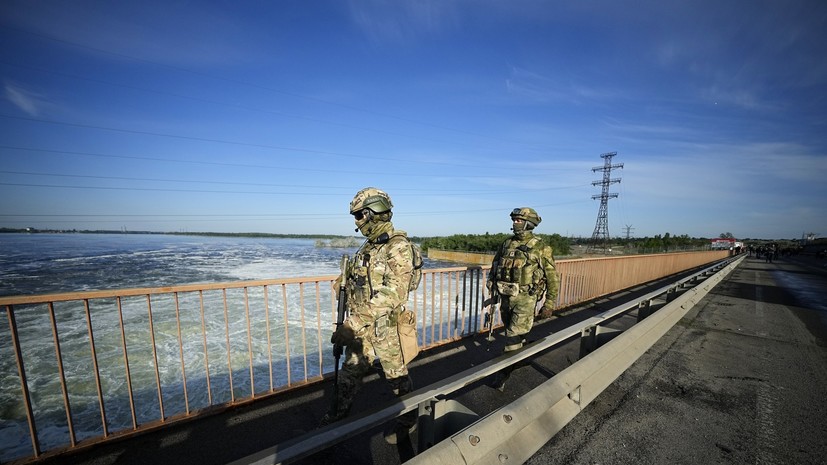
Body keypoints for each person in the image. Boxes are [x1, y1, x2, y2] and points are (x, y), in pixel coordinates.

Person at [320, 187, 419, 445]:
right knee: (349, 375)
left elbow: (394, 293)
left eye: (358, 216)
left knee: (396, 378)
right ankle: (337, 418)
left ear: (372, 212)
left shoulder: (396, 246)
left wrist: (351, 323)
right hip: (363, 328)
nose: (356, 222)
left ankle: (408, 418)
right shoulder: (370, 246)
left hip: (384, 329)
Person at [487, 207, 559, 391]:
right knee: (513, 334)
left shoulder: (540, 246)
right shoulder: (507, 243)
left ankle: (502, 375)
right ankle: (522, 356)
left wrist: (549, 303)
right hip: (505, 297)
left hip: (526, 299)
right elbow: (495, 266)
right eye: (515, 220)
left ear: (529, 223)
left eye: (519, 220)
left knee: (511, 338)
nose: (515, 223)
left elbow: (552, 277)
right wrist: (492, 286)